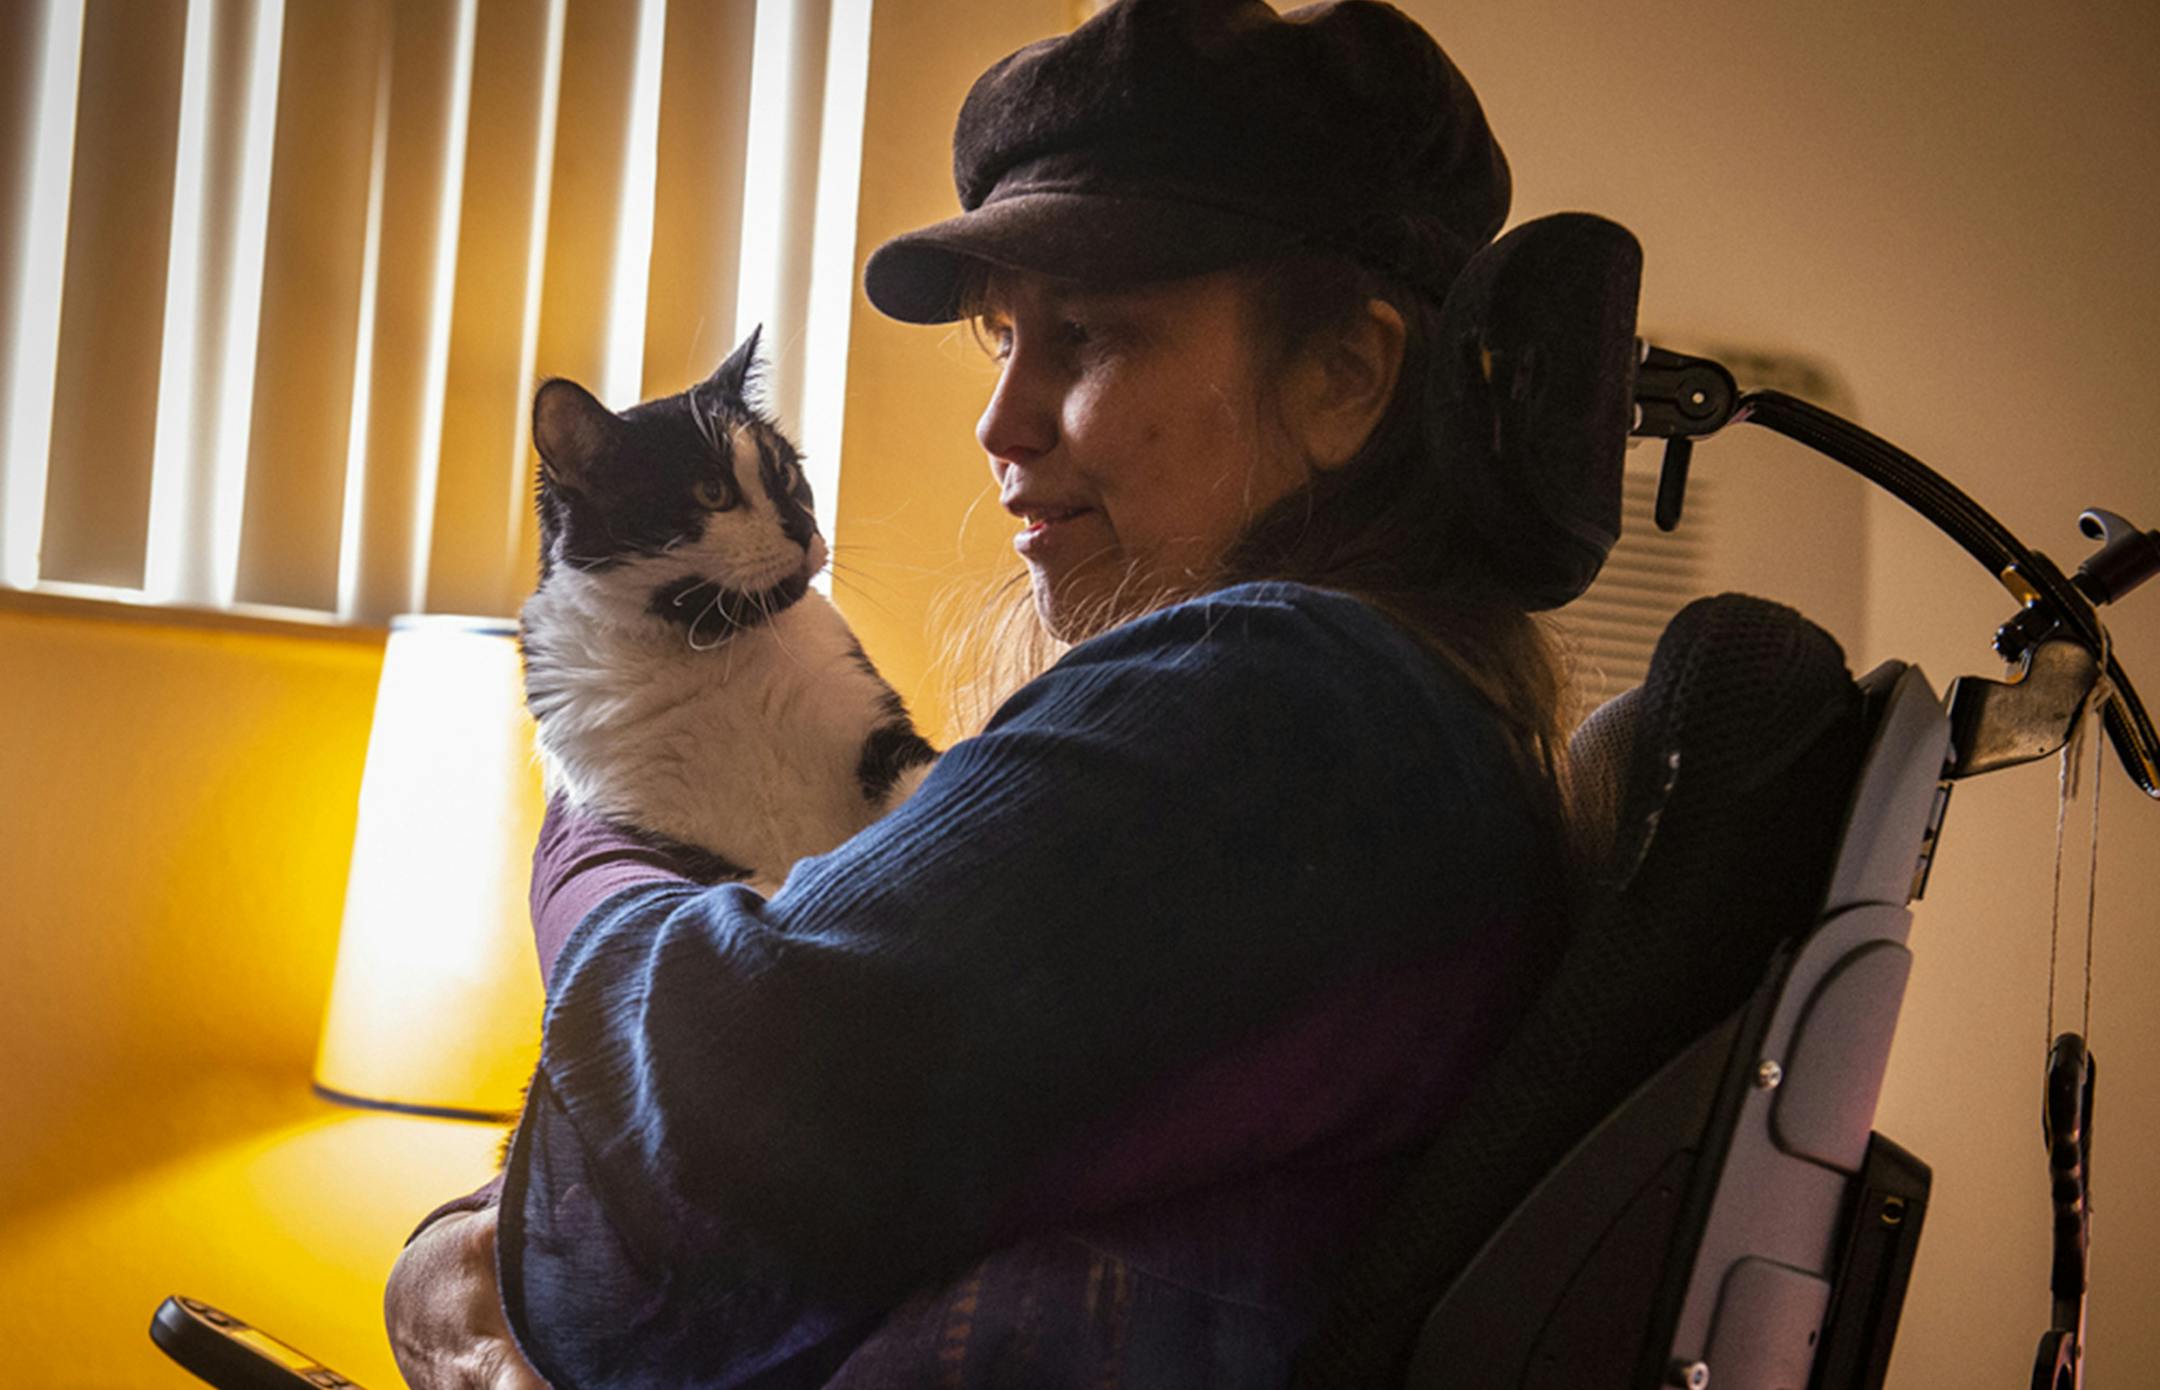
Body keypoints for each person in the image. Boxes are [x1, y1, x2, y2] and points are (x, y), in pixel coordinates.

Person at [387, 1, 1590, 1384]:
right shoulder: (1400, 728)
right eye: (999, 337)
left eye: (1084, 337)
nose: (999, 420)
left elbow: (646, 1215)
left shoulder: (1277, 706)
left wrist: (596, 827)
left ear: (1347, 373)